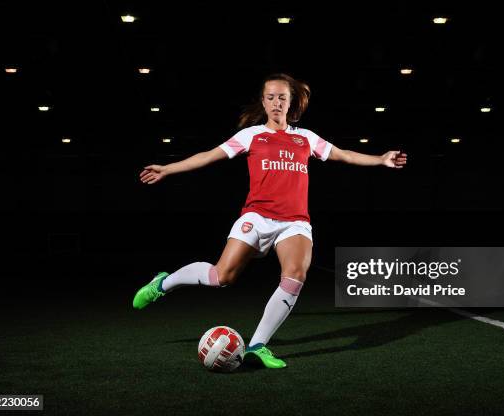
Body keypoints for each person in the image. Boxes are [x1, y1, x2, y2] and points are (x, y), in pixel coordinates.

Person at [134, 73, 407, 368]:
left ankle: (257, 345)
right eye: (271, 97)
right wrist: (168, 169)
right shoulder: (250, 136)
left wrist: (380, 159)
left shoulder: (306, 138)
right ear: (263, 102)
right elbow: (208, 156)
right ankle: (164, 283)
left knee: (295, 276)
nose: (276, 103)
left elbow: (344, 155)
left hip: (295, 222)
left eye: (282, 97)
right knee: (221, 277)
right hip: (257, 216)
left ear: (291, 102)